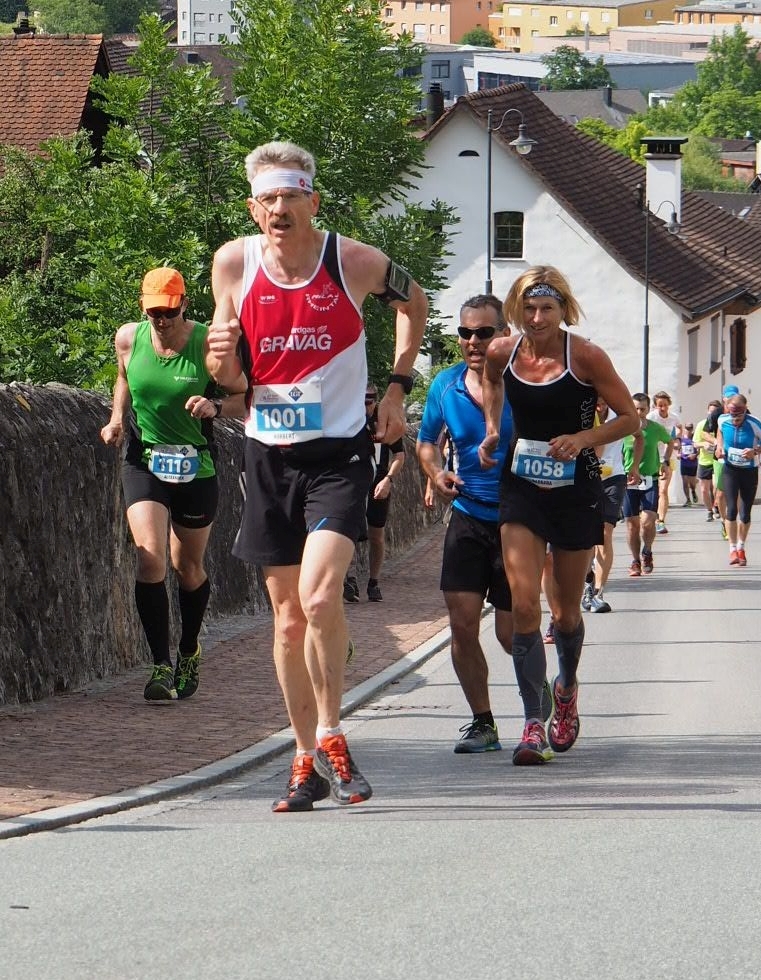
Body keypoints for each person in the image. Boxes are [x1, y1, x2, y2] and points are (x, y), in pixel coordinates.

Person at [207, 141, 428, 812]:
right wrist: (220, 364)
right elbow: (230, 380)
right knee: (286, 623)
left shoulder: (352, 261)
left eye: (290, 196)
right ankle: (302, 757)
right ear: (253, 207)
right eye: (267, 199)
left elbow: (414, 303)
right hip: (267, 455)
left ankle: (334, 733)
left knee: (320, 595)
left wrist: (393, 389)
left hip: (337, 455)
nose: (279, 209)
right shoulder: (232, 263)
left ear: (313, 200)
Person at [478, 267, 638, 766]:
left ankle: (565, 688)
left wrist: (584, 439)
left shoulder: (585, 355)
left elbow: (631, 416)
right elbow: (492, 387)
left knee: (566, 613)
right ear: (515, 310)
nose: (537, 317)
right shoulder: (503, 352)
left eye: (547, 308)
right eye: (528, 308)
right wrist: (491, 431)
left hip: (576, 489)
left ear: (563, 309)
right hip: (522, 484)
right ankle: (532, 721)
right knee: (524, 605)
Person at [100, 267, 246, 702]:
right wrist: (115, 419)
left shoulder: (207, 345)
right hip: (144, 461)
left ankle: (189, 649)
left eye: (167, 311)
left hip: (194, 466)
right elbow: (124, 377)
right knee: (150, 560)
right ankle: (160, 665)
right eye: (152, 313)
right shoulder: (129, 338)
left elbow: (246, 396)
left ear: (184, 305)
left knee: (188, 568)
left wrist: (215, 406)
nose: (160, 321)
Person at [418, 294, 552, 754]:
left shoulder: (525, 381)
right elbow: (426, 443)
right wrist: (437, 473)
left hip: (518, 518)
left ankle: (535, 708)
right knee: (462, 624)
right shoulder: (444, 385)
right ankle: (483, 723)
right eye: (465, 333)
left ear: (503, 334)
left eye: (484, 332)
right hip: (468, 515)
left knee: (509, 631)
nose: (473, 342)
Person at [344, 383, 406, 603]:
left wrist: (388, 479)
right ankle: (348, 579)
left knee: (376, 535)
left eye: (369, 401)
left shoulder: (384, 421)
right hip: (354, 482)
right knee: (347, 531)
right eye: (361, 401)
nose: (365, 406)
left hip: (379, 482)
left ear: (376, 400)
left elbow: (399, 455)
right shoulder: (350, 421)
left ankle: (373, 582)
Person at [582, 395, 643, 613]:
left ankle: (597, 592)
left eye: (603, 402)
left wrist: (634, 467)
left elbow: (639, 436)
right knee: (587, 535)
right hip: (585, 478)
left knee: (604, 533)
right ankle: (587, 577)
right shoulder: (581, 414)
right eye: (596, 402)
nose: (600, 407)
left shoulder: (620, 417)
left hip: (613, 478)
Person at [622, 394, 673, 577]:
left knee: (648, 521)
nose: (638, 412)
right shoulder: (623, 429)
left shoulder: (655, 428)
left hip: (650, 478)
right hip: (628, 480)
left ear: (648, 409)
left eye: (642, 409)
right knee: (631, 524)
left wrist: (665, 461)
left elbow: (670, 442)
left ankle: (647, 551)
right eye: (635, 408)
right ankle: (635, 560)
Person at [715, 393, 761, 567]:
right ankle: (732, 549)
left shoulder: (754, 423)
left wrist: (755, 451)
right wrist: (719, 446)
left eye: (739, 416)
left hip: (749, 471)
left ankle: (742, 547)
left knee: (745, 513)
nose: (735, 419)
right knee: (731, 509)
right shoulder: (722, 420)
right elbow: (719, 432)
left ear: (745, 411)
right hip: (730, 469)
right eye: (732, 415)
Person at [647, 391, 682, 533]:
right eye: (660, 405)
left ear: (669, 405)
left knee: (663, 490)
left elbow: (680, 427)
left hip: (668, 457)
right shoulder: (651, 417)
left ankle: (660, 521)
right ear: (655, 406)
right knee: (653, 489)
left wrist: (677, 437)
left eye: (665, 405)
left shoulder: (674, 417)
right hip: (652, 457)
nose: (663, 408)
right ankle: (650, 516)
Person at [693, 400, 723, 521]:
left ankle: (716, 505)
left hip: (718, 460)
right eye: (710, 412)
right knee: (704, 489)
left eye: (715, 412)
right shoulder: (701, 425)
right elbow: (695, 444)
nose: (712, 414)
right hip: (704, 461)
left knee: (716, 486)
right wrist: (703, 444)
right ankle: (709, 511)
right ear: (707, 411)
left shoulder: (722, 424)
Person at [678, 422, 699, 506]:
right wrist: (678, 454)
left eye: (690, 428)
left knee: (692, 483)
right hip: (684, 462)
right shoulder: (681, 438)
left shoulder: (695, 438)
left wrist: (695, 455)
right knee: (685, 482)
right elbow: (679, 449)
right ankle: (688, 500)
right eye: (687, 428)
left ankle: (693, 491)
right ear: (684, 428)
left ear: (692, 429)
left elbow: (699, 450)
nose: (688, 430)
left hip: (693, 463)